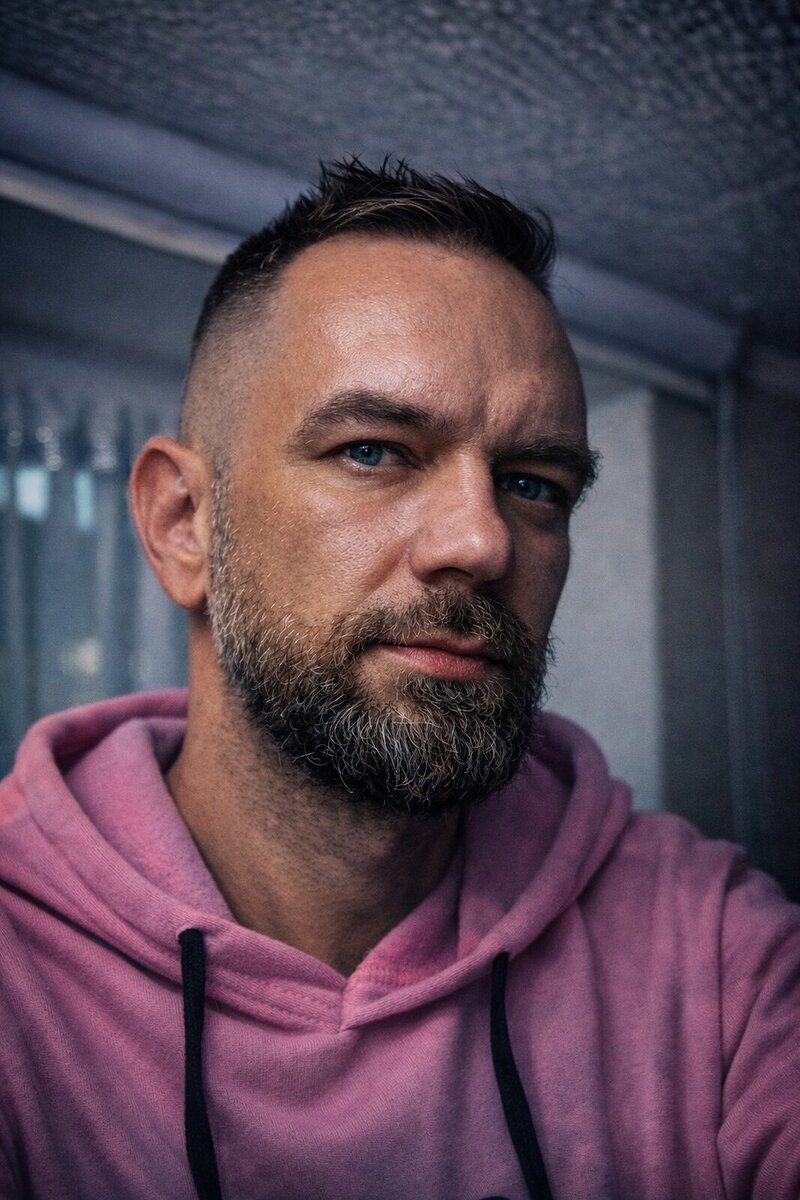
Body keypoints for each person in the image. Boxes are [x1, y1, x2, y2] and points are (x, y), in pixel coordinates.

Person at [0, 159, 797, 1200]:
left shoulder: (714, 949)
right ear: (182, 525)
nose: (482, 541)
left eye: (533, 484)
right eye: (374, 451)